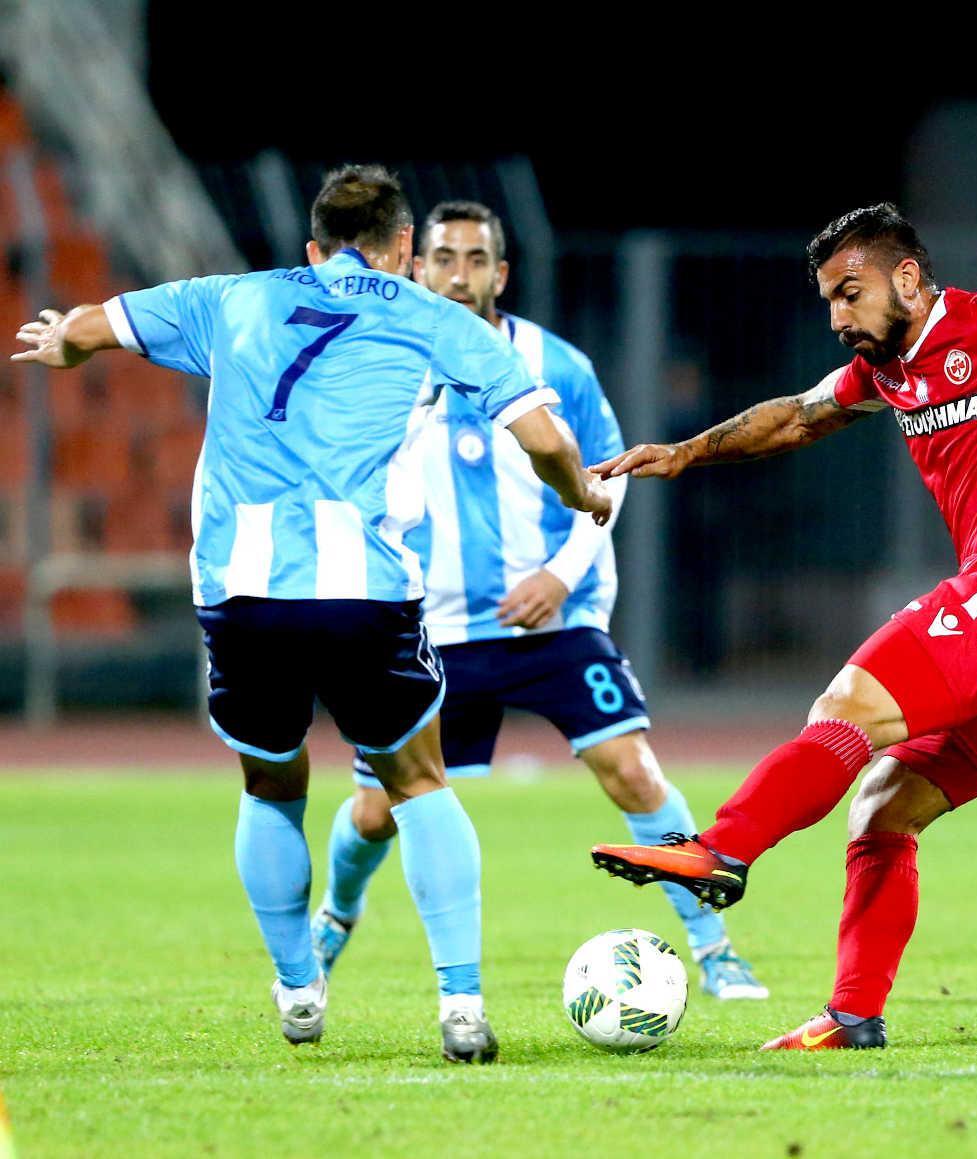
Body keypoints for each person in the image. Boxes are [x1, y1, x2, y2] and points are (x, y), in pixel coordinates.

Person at [585, 202, 977, 1050]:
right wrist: (685, 453)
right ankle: (853, 1015)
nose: (837, 317)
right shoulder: (884, 373)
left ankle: (722, 849)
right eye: (828, 300)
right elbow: (798, 414)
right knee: (884, 808)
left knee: (846, 704)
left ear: (909, 278)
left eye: (849, 293)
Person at [10, 166, 612, 1061]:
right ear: (404, 248)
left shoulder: (231, 297)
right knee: (418, 781)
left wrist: (65, 343)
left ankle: (298, 987)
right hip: (365, 587)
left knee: (271, 786)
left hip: (242, 589)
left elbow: (100, 324)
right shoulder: (434, 315)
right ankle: (461, 1005)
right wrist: (582, 494)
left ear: (312, 246)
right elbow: (544, 438)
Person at [309, 201, 767, 1000]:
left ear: (501, 272)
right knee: (376, 812)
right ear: (417, 267)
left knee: (632, 770)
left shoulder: (559, 364)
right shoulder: (382, 367)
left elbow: (609, 475)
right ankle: (335, 916)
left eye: (475, 259)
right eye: (443, 257)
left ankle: (715, 948)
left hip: (556, 622)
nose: (458, 275)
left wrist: (560, 573)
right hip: (431, 631)